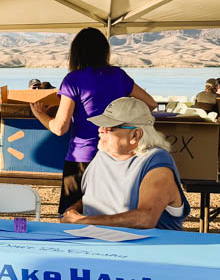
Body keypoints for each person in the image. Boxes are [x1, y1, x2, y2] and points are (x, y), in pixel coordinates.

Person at [31, 28, 157, 214]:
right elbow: (150, 103)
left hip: (82, 158)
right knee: (107, 215)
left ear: (76, 53)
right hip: (116, 156)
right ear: (104, 51)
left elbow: (59, 128)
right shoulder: (118, 75)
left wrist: (39, 114)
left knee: (71, 217)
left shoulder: (73, 80)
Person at [62, 97, 189, 230]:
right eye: (101, 125)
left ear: (135, 135)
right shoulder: (104, 154)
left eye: (109, 128)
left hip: (148, 246)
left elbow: (145, 218)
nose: (100, 130)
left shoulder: (156, 163)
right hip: (98, 241)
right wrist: (73, 211)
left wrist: (84, 221)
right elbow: (94, 196)